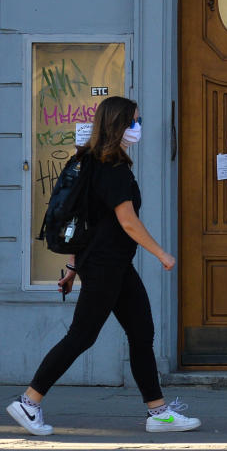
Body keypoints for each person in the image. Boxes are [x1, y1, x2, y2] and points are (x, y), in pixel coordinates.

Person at [6, 96, 200, 437]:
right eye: (134, 122)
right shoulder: (112, 168)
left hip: (112, 265)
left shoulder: (90, 161)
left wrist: (72, 267)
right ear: (119, 125)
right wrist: (161, 254)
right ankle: (29, 401)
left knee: (141, 333)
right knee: (81, 336)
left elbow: (84, 222)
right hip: (107, 265)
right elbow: (127, 222)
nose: (138, 128)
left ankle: (159, 413)